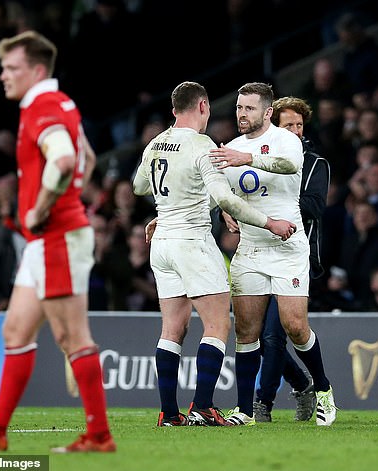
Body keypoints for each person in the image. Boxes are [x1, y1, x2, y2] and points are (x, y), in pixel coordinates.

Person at [0, 30, 115, 453]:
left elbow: (66, 160)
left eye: (11, 67)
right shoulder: (62, 103)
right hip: (47, 240)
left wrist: (42, 205)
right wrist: (68, 195)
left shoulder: (41, 106)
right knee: (15, 330)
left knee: (74, 338)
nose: (3, 75)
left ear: (36, 70)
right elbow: (86, 159)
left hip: (55, 236)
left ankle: (98, 436)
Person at [133, 81, 296, 427]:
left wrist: (166, 211)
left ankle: (169, 413)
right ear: (203, 106)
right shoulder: (201, 145)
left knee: (172, 328)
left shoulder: (157, 142)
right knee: (218, 323)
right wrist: (271, 223)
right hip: (192, 241)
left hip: (162, 246)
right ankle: (203, 405)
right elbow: (226, 200)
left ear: (174, 109)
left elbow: (140, 186)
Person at [209, 82, 336, 426]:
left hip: (287, 246)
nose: (241, 114)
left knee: (294, 326)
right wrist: (222, 208)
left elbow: (289, 166)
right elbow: (214, 189)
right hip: (250, 248)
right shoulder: (231, 147)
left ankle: (323, 389)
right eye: (238, 108)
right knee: (247, 332)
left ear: (267, 112)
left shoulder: (287, 140)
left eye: (249, 108)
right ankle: (246, 411)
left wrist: (247, 158)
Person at [251, 96, 331, 423]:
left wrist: (276, 195)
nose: (296, 131)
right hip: (258, 253)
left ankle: (261, 405)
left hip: (296, 256)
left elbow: (314, 207)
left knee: (274, 334)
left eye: (299, 125)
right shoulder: (259, 159)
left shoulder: (314, 164)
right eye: (289, 125)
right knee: (255, 333)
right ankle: (301, 383)